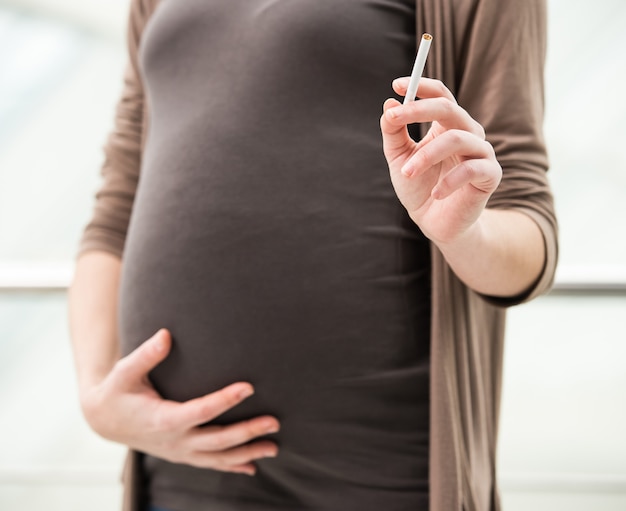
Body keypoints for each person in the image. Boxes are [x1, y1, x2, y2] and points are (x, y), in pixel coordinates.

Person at [68, 0, 557, 510]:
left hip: (373, 479)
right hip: (183, 478)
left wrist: (464, 231)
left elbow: (530, 233)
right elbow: (116, 206)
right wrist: (96, 395)